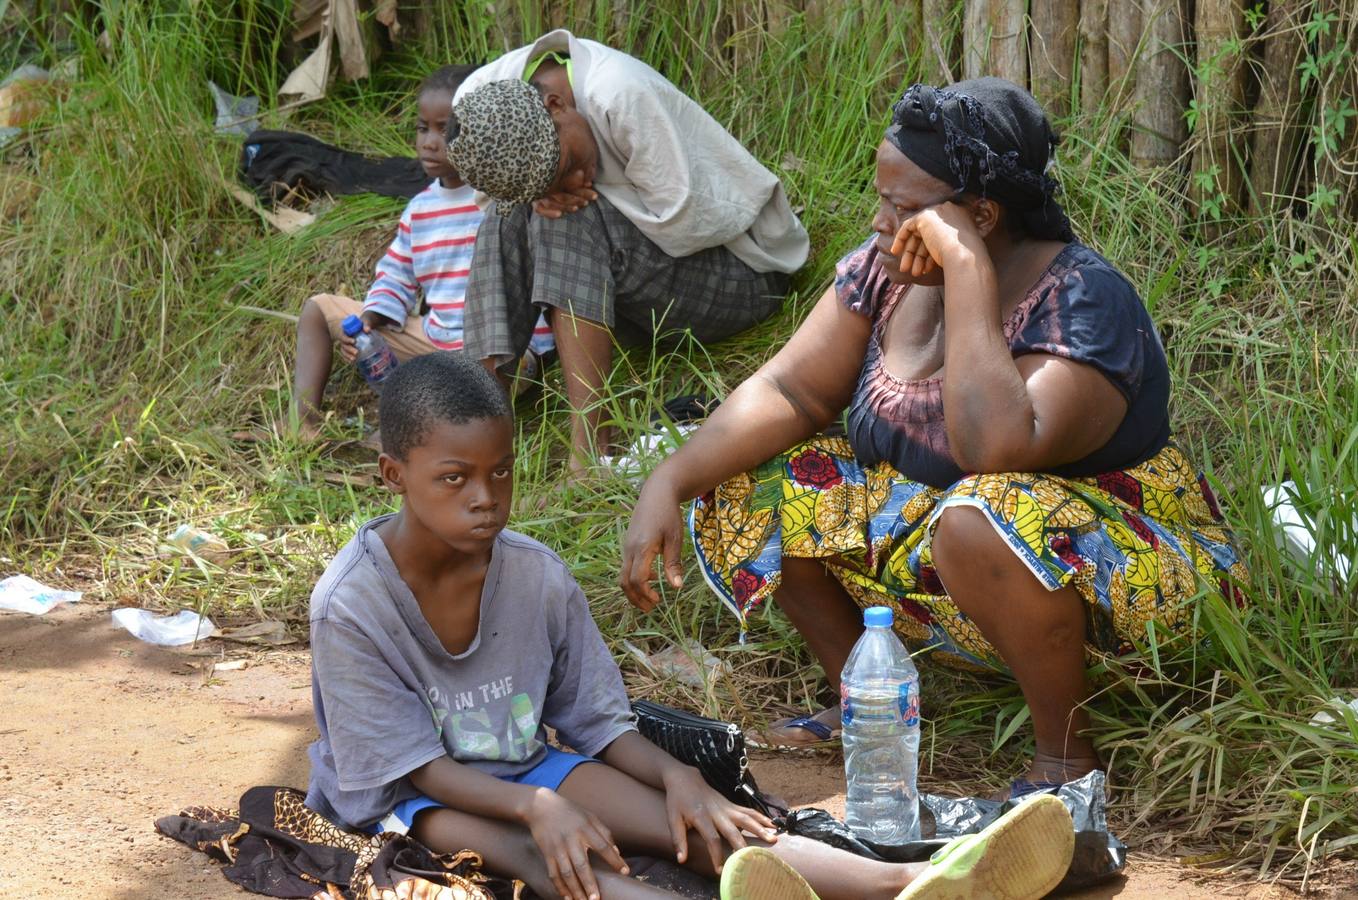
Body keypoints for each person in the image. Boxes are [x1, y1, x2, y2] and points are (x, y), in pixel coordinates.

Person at [620, 79, 1248, 796]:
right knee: (747, 478)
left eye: (906, 209)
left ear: (980, 215)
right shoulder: (885, 273)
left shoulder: (1081, 300)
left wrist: (968, 274)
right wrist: (667, 480)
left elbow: (997, 452)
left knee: (982, 513)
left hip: (1127, 581)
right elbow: (790, 391)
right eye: (882, 199)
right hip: (956, 556)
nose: (881, 223)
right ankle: (871, 704)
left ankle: (1067, 761)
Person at [303, 351, 1074, 900]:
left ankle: (909, 885)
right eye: (454, 479)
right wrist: (541, 809)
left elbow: (600, 725)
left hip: (528, 766)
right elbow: (417, 769)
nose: (485, 497)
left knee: (707, 829)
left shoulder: (534, 574)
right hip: (408, 797)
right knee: (548, 858)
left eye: (500, 471)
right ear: (393, 476)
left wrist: (681, 780)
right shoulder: (353, 605)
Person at [444, 30, 809, 473]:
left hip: (743, 273)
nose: (574, 184)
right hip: (635, 303)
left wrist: (562, 201)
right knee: (505, 219)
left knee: (566, 219)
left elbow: (689, 218)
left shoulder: (619, 92)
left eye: (566, 166)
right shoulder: (476, 101)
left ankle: (590, 459)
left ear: (557, 106)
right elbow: (496, 201)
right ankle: (479, 427)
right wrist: (537, 197)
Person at [289, 64, 552, 439]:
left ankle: (414, 432)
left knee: (457, 385)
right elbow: (396, 273)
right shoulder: (420, 209)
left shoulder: (503, 195)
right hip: (436, 340)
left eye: (446, 129)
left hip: (503, 352)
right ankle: (303, 423)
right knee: (319, 310)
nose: (430, 141)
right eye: (422, 127)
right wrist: (370, 323)